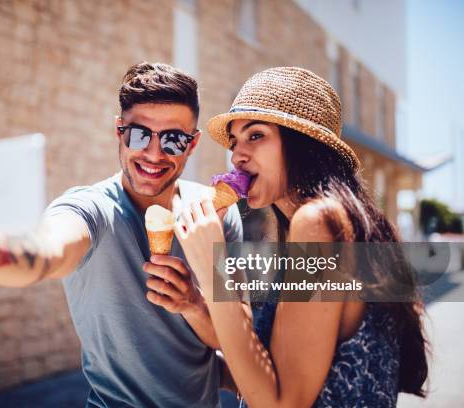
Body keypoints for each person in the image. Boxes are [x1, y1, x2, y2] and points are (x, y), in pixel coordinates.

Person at [0, 62, 244, 407]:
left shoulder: (216, 215)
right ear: (119, 131)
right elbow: (47, 248)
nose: (153, 153)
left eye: (173, 139)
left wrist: (192, 304)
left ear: (193, 144)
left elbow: (235, 338)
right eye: (139, 134)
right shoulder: (91, 208)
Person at [156, 67, 429, 407]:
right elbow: (266, 359)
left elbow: (284, 402)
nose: (237, 155)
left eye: (255, 135)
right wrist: (194, 306)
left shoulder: (319, 223)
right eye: (235, 141)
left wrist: (215, 271)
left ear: (302, 143)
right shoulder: (328, 224)